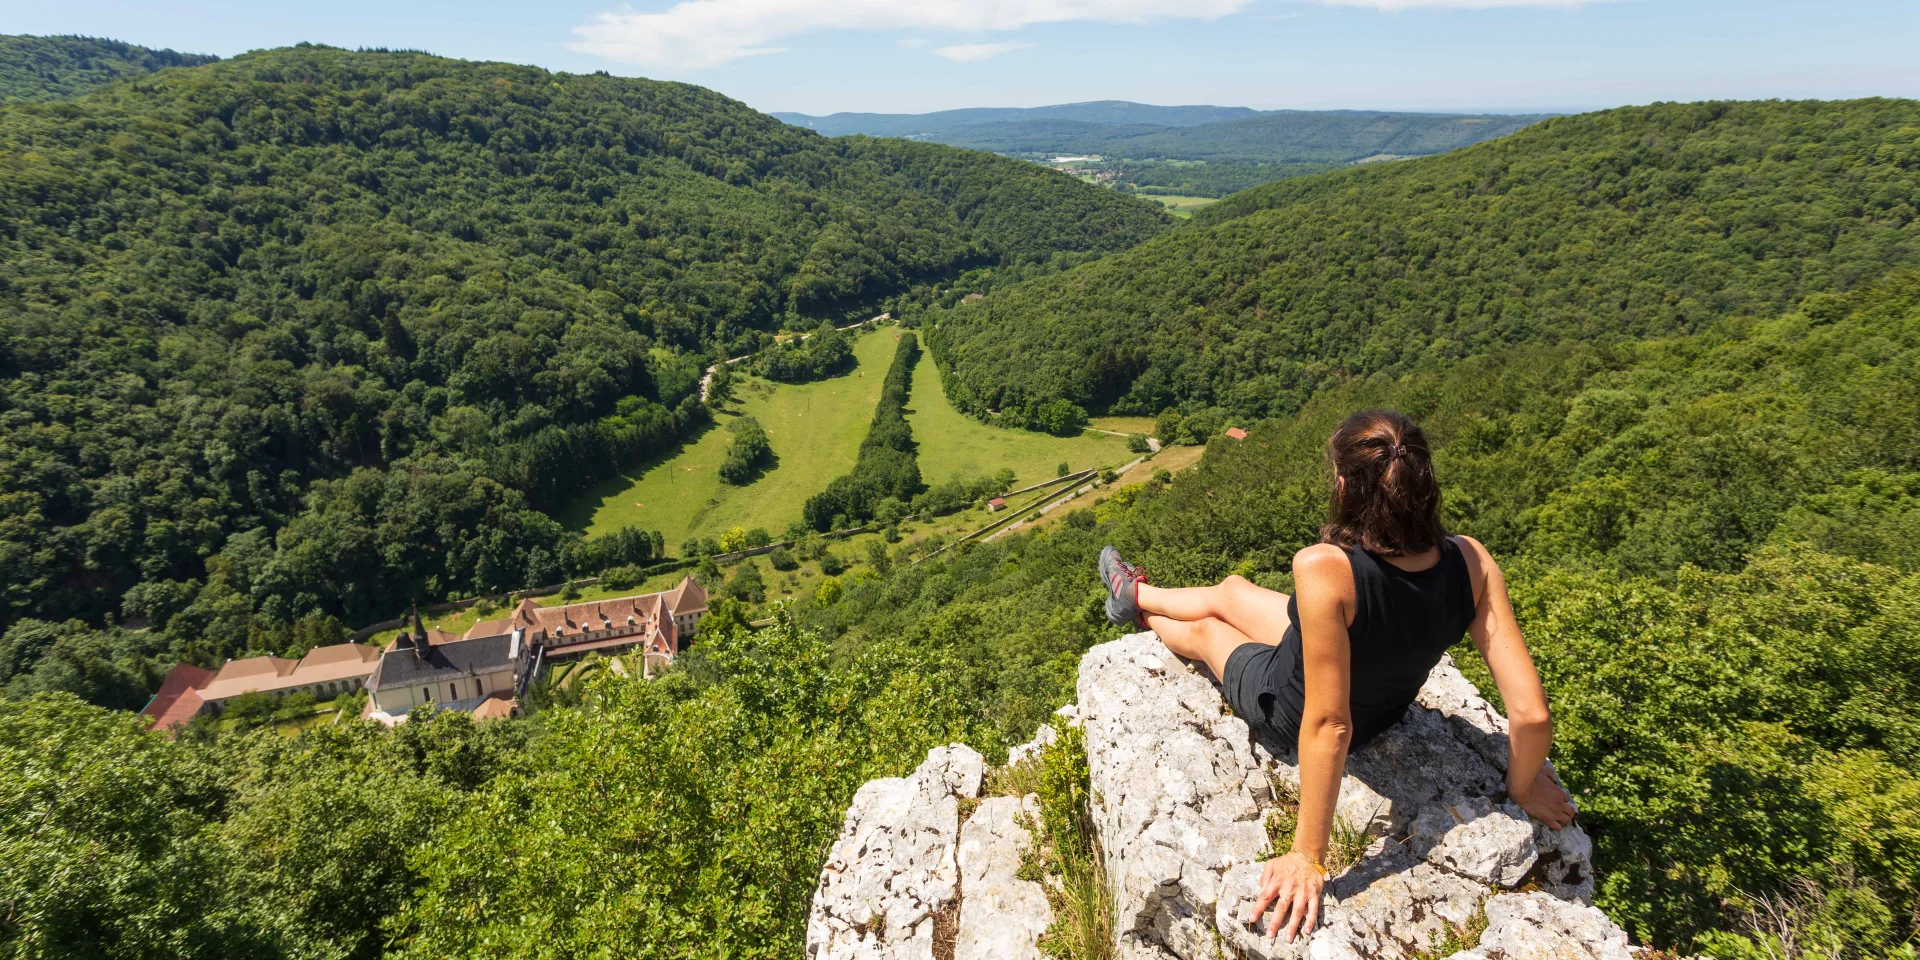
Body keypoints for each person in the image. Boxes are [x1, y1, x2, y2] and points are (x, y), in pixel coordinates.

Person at [1096, 409, 1577, 944]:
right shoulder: (1470, 560)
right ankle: (1133, 593)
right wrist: (1522, 784)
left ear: (1345, 486)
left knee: (1209, 629)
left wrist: (1308, 855)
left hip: (1289, 705)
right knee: (1233, 590)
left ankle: (1146, 618)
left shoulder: (1327, 569)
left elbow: (1329, 725)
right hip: (1377, 690)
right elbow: (1532, 714)